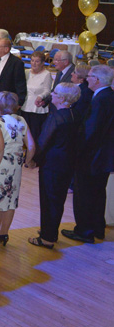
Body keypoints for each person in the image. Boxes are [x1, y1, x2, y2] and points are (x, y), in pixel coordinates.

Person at [63, 65, 114, 243]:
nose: (86, 79)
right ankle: (97, 228)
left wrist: (77, 152)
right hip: (103, 157)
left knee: (84, 194)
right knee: (98, 194)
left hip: (92, 157)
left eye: (90, 76)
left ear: (98, 80)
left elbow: (91, 131)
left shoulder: (100, 99)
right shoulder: (109, 96)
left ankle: (84, 230)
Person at [27, 83, 81, 249]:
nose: (52, 94)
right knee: (57, 200)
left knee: (48, 200)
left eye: (55, 92)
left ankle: (47, 237)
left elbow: (43, 142)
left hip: (52, 164)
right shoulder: (75, 114)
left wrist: (32, 159)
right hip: (67, 163)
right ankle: (50, 231)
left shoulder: (56, 117)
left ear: (63, 98)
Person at [0, 92, 34, 247]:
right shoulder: (21, 120)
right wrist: (27, 161)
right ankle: (4, 234)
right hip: (15, 166)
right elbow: (30, 145)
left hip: (0, 165)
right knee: (11, 199)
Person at [21, 51, 53, 154]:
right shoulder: (27, 72)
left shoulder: (46, 74)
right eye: (32, 61)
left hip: (37, 107)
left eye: (37, 61)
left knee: (34, 134)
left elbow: (47, 90)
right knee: (24, 132)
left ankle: (34, 156)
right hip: (25, 106)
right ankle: (25, 153)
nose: (34, 63)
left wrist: (41, 96)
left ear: (43, 63)